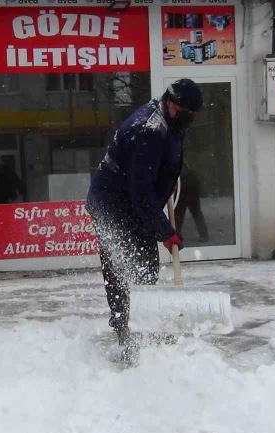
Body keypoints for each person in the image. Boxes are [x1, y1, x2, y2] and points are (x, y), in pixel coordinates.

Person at [86, 79, 202, 349]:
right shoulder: (148, 131)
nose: (190, 118)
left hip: (132, 200)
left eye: (193, 114)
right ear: (172, 103)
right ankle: (123, 331)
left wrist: (166, 180)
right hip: (111, 204)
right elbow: (140, 193)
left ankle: (141, 323)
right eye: (187, 112)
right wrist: (166, 232)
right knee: (120, 267)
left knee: (146, 269)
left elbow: (158, 165)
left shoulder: (171, 120)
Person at [173, 165, 209, 242]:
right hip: (189, 188)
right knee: (194, 214)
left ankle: (175, 236)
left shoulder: (181, 166)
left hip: (185, 189)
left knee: (179, 215)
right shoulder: (188, 169)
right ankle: (204, 235)